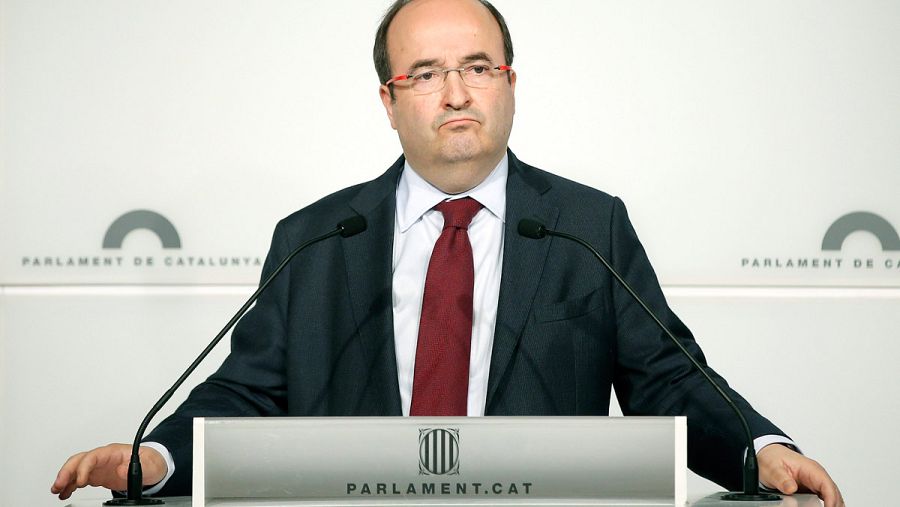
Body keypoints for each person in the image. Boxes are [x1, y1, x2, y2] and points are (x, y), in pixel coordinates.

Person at [52, 1, 844, 505]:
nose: (457, 92)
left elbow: (667, 378)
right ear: (390, 100)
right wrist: (155, 458)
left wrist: (761, 449)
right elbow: (248, 394)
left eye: (476, 67)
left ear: (509, 83)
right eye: (426, 73)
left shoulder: (586, 226)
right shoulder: (315, 238)